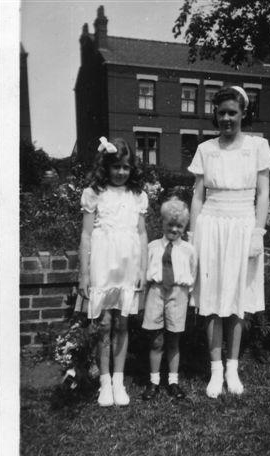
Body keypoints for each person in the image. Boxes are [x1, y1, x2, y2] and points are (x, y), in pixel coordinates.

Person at [188, 86, 270, 398]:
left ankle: (232, 368)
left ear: (243, 114)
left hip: (242, 225)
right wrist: (193, 236)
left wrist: (257, 233)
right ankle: (214, 370)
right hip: (211, 225)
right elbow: (197, 196)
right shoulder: (205, 149)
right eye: (221, 112)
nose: (226, 118)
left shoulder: (257, 146)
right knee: (210, 300)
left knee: (237, 300)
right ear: (216, 114)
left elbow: (263, 193)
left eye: (232, 112)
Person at [77, 136, 148, 407]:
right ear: (106, 166)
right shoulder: (93, 193)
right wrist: (84, 274)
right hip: (103, 264)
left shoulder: (137, 196)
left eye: (126, 167)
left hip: (128, 264)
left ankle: (119, 379)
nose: (121, 172)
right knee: (104, 322)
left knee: (122, 322)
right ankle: (104, 381)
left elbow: (141, 234)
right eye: (116, 166)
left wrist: (142, 268)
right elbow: (85, 235)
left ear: (132, 169)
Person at [141, 198, 197, 401]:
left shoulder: (189, 250)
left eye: (179, 226)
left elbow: (193, 271)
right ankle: (154, 382)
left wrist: (188, 294)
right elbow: (145, 271)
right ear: (162, 222)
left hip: (178, 294)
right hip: (156, 292)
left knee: (174, 339)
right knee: (156, 341)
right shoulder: (152, 247)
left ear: (185, 227)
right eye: (170, 224)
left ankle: (173, 381)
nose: (174, 229)